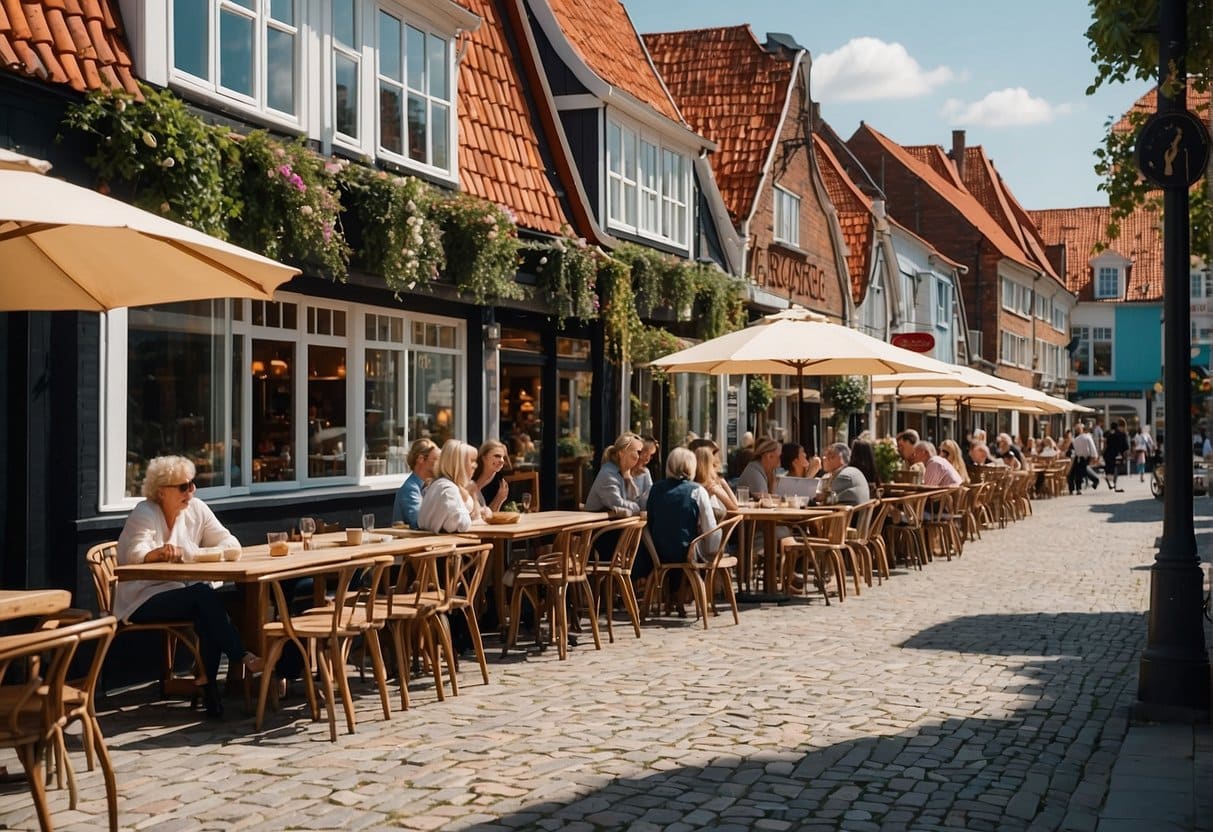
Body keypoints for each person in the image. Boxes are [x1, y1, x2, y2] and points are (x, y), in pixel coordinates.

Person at [115, 455, 263, 717]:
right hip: (142, 598)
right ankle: (242, 655)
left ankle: (210, 691)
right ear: (161, 492)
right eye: (183, 487)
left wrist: (194, 553)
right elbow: (134, 554)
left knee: (206, 610)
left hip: (181, 592)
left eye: (192, 484)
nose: (191, 491)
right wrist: (156, 553)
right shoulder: (145, 512)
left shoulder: (196, 509)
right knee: (204, 597)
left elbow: (231, 544)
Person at [644, 447, 720, 614]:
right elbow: (710, 528)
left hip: (656, 551)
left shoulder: (654, 489)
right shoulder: (697, 490)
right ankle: (685, 598)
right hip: (687, 551)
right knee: (696, 545)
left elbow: (649, 518)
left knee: (673, 537)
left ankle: (672, 598)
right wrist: (714, 551)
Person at [418, 439, 481, 533]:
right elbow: (461, 524)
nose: (475, 466)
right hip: (442, 545)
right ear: (459, 464)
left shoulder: (439, 485)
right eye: (471, 461)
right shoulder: (448, 490)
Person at [585, 432, 646, 515]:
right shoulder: (608, 473)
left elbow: (637, 501)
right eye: (638, 452)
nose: (640, 457)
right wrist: (639, 508)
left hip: (614, 525)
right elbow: (617, 503)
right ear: (621, 452)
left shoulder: (626, 474)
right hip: (599, 526)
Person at [392, 438, 438, 529]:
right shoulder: (410, 489)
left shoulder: (429, 486)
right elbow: (420, 522)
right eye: (436, 459)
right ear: (421, 459)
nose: (440, 464)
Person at [693, 444, 738, 519]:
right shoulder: (711, 486)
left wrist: (723, 483)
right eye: (714, 465)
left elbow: (735, 505)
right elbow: (734, 507)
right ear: (709, 465)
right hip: (715, 528)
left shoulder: (691, 486)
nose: (718, 464)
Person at [471, 440, 511, 515]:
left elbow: (493, 517)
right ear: (484, 458)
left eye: (503, 457)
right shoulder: (471, 476)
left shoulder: (500, 482)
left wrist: (499, 499)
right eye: (497, 456)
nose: (502, 461)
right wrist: (498, 499)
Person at [1068, 422, 1101, 494]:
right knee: (1081, 471)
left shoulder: (1076, 439)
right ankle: (1094, 481)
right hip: (1082, 457)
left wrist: (1094, 456)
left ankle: (1076, 488)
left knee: (1077, 472)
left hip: (1079, 458)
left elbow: (1074, 450)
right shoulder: (1085, 437)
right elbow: (1092, 448)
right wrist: (1095, 456)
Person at [1103, 419, 1130, 491]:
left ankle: (1110, 482)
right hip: (1115, 454)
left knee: (1109, 469)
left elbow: (1105, 444)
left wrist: (1102, 452)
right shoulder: (1120, 434)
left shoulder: (1107, 433)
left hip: (1107, 454)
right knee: (1115, 469)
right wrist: (1125, 455)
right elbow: (1124, 446)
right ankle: (1114, 485)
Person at [632, 435, 660, 501]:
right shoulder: (623, 470)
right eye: (646, 453)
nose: (648, 458)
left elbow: (649, 494)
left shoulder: (645, 472)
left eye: (651, 455)